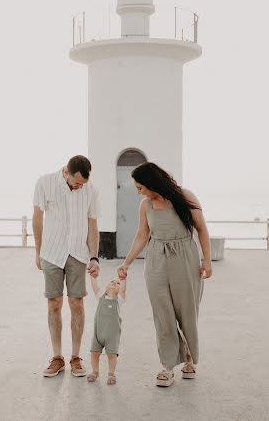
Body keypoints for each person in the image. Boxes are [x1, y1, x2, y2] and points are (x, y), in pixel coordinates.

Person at [117, 162, 212, 387]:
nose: (138, 192)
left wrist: (206, 259)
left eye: (140, 187)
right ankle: (167, 367)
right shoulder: (145, 205)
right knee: (163, 314)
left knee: (187, 311)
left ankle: (189, 359)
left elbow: (201, 228)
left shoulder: (185, 197)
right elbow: (142, 236)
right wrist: (126, 263)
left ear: (152, 183)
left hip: (185, 258)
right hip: (156, 260)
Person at [32, 155, 101, 378]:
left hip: (78, 254)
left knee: (76, 302)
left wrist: (94, 257)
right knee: (53, 303)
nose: (80, 186)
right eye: (77, 182)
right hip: (51, 252)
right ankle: (57, 357)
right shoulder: (45, 183)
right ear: (66, 173)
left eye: (84, 184)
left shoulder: (91, 190)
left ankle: (76, 357)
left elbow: (93, 225)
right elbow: (37, 217)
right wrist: (38, 250)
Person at [87, 275, 126, 385]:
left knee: (111, 354)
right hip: (98, 333)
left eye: (118, 283)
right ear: (106, 286)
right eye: (111, 281)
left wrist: (123, 279)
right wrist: (93, 275)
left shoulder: (119, 300)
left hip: (112, 335)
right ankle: (95, 371)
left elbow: (123, 290)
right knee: (94, 352)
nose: (114, 283)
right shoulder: (101, 297)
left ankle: (111, 373)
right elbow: (94, 286)